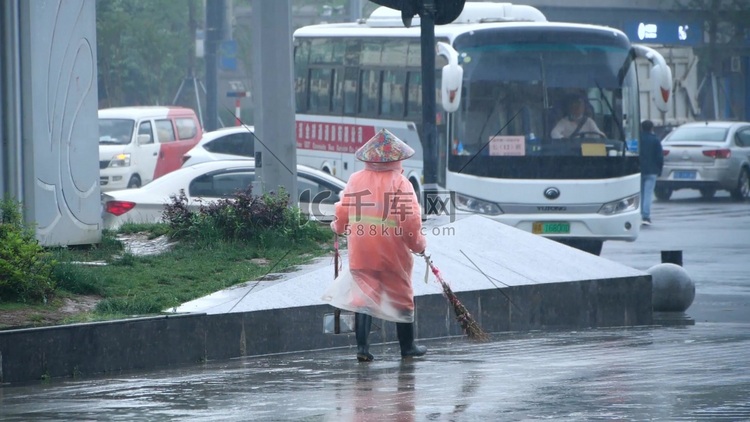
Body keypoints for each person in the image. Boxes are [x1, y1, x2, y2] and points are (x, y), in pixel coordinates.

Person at [323, 129, 428, 362]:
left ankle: (362, 349)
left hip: (362, 250)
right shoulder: (401, 183)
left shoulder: (355, 180)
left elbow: (343, 210)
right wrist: (419, 245)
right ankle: (407, 347)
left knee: (362, 297)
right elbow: (410, 221)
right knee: (402, 295)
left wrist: (338, 228)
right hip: (392, 252)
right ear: (397, 159)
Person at [639, 120, 664, 225]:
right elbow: (660, 157)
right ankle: (646, 216)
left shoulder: (638, 139)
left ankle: (639, 214)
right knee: (648, 194)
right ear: (651, 128)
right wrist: (659, 170)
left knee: (640, 194)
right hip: (652, 171)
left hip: (639, 170)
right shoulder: (655, 140)